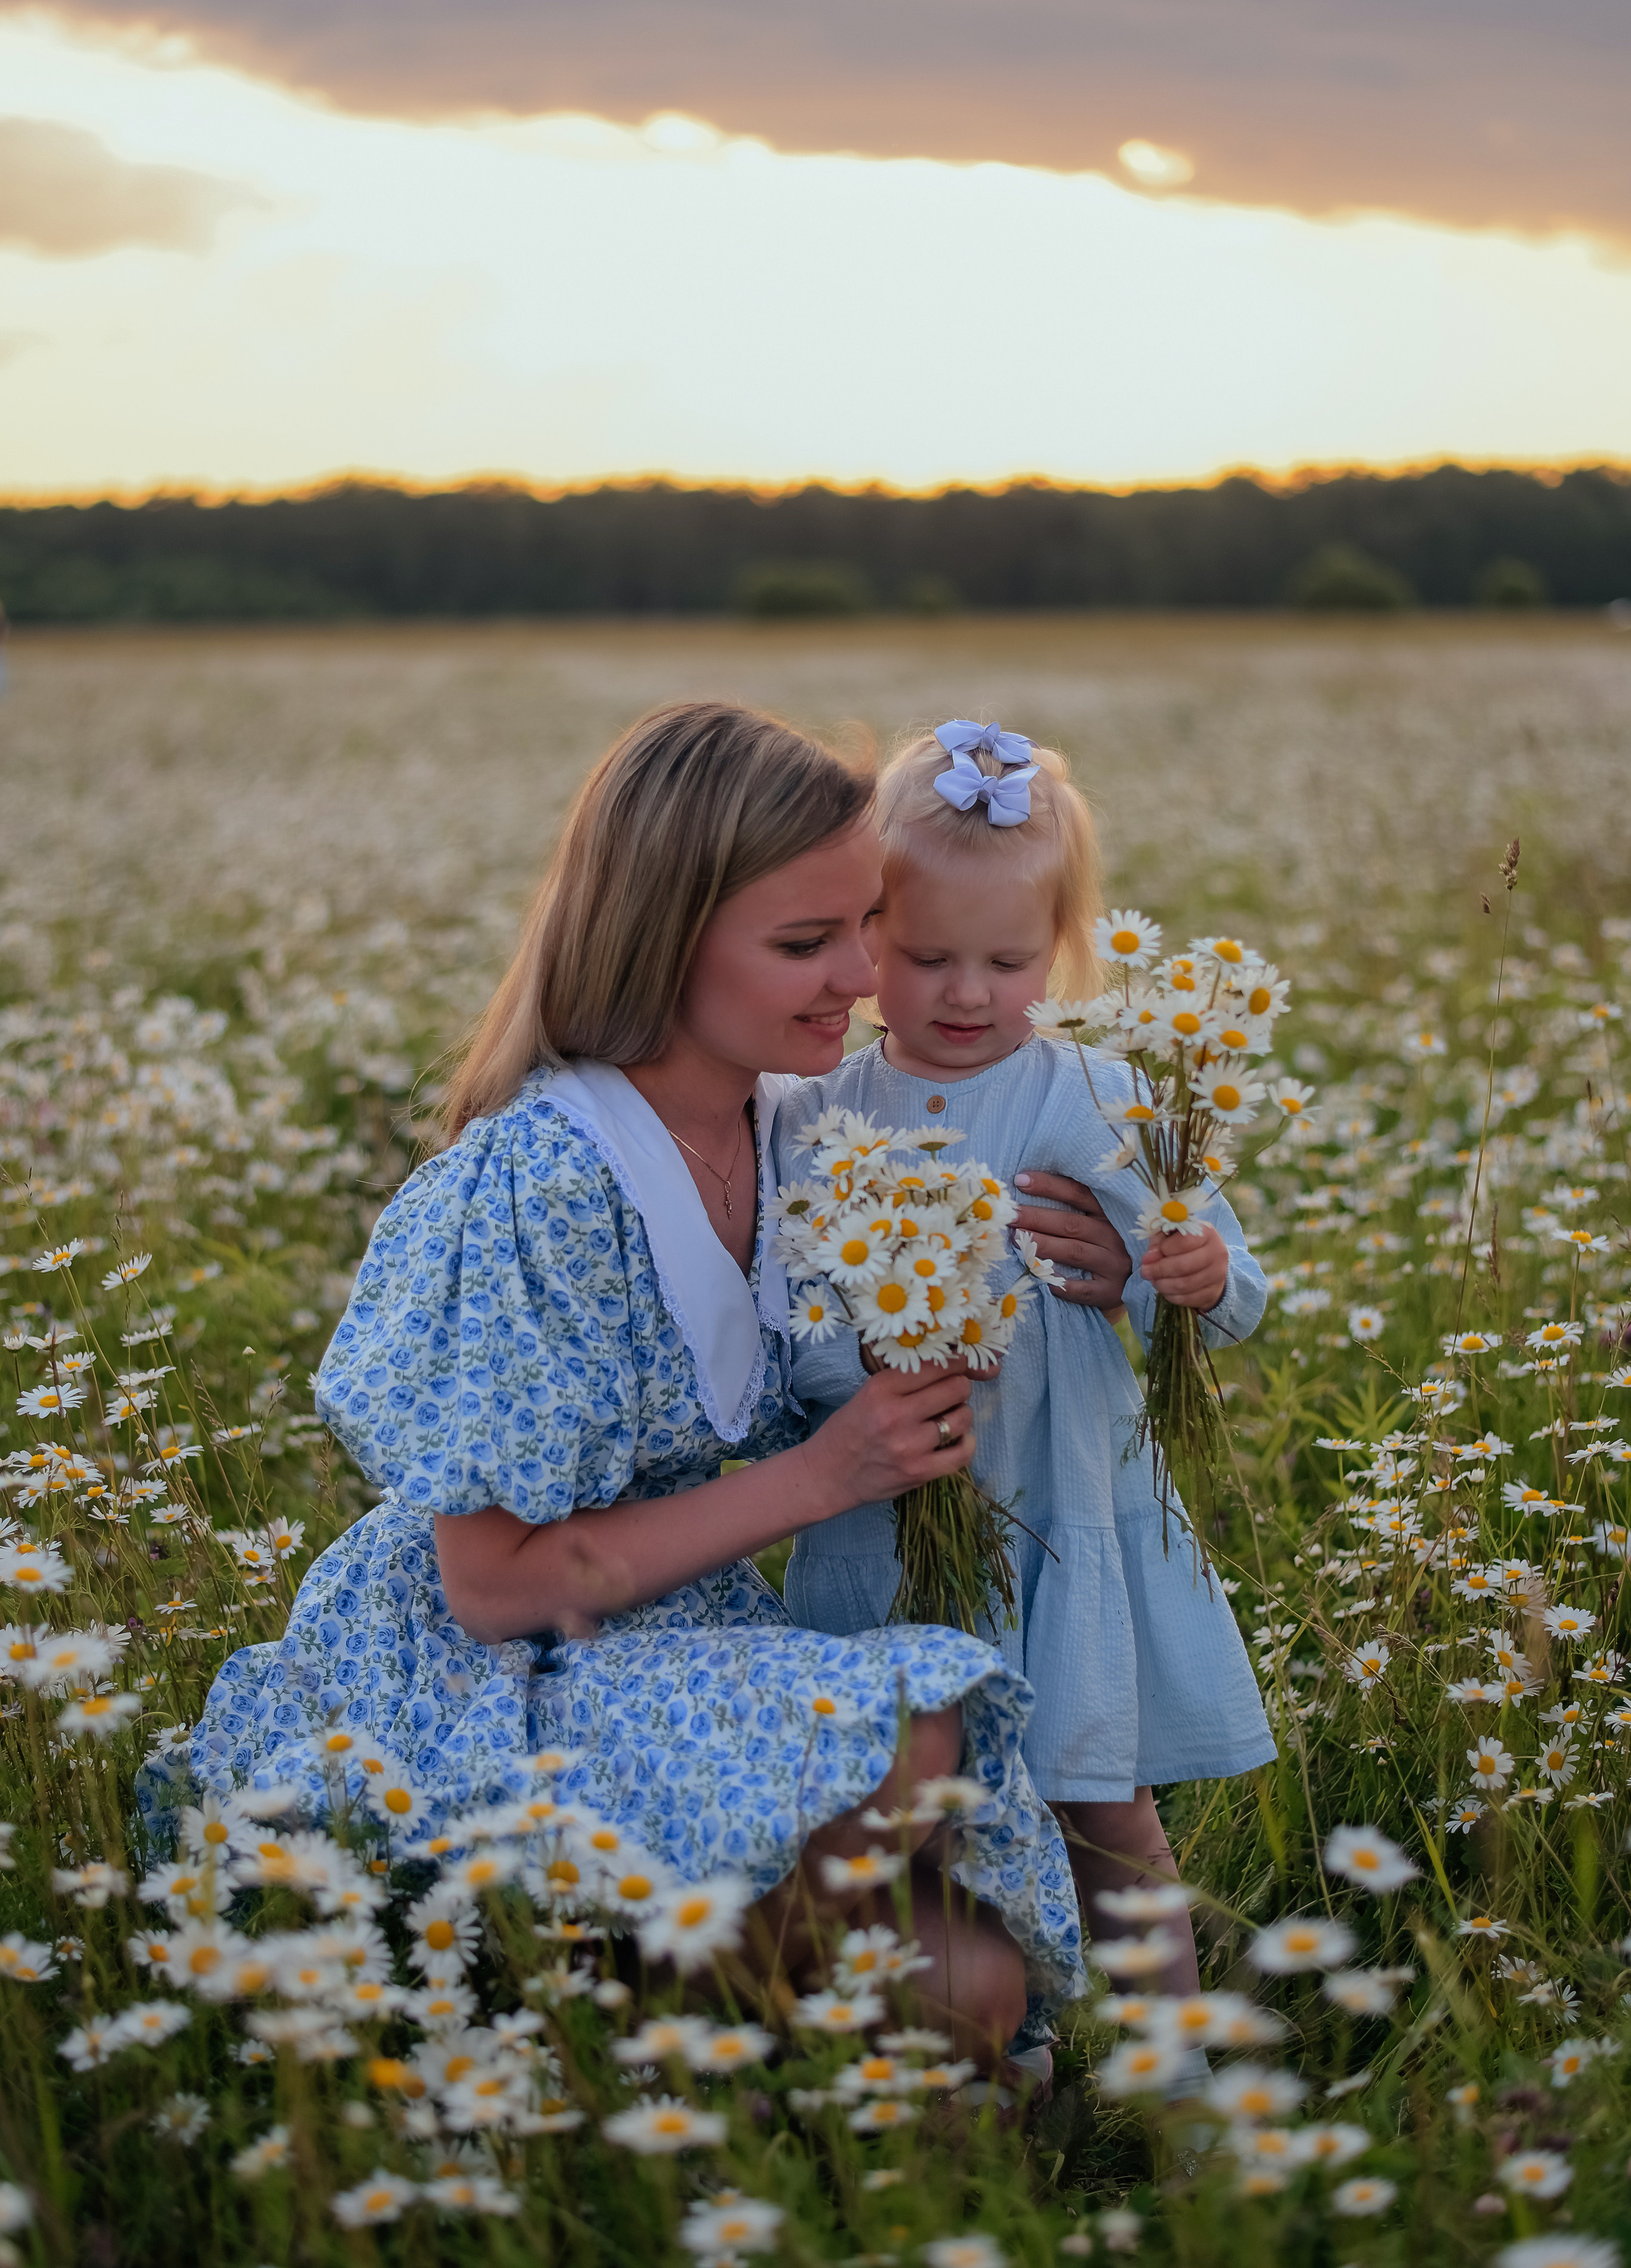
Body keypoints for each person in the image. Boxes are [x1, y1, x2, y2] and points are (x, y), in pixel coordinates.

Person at [180, 702, 1082, 2063]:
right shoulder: (539, 1183)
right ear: (663, 940)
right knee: (917, 1733)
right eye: (803, 942)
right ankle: (574, 1999)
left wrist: (1119, 1258)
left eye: (864, 925)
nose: (863, 973)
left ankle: (671, 2041)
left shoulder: (796, 1128)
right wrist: (823, 1476)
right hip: (485, 1673)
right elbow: (493, 1588)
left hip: (668, 1628)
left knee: (969, 1990)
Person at [773, 718, 1276, 2005]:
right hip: (894, 1530)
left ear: (1060, 952)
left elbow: (1223, 1286)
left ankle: (1177, 2079)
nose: (963, 993)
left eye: (1007, 960)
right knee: (915, 1815)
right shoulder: (815, 1106)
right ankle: (1004, 2037)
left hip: (1056, 1513)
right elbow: (796, 1326)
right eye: (924, 954)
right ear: (861, 934)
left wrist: (1190, 1280)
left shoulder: (1087, 1092)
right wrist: (871, 1364)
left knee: (1100, 1807)